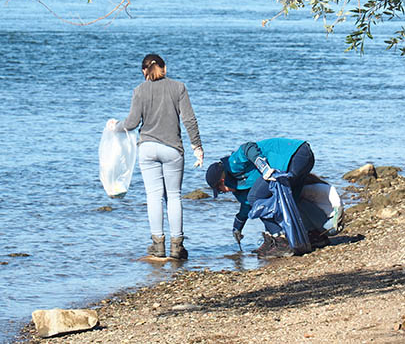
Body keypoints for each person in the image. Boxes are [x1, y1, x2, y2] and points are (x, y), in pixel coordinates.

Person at [108, 54, 203, 260]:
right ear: (165, 68)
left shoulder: (139, 91)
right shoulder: (179, 88)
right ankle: (177, 246)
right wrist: (197, 146)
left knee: (153, 196)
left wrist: (116, 127)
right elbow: (189, 119)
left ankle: (157, 245)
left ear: (144, 72)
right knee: (174, 196)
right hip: (172, 148)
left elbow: (132, 122)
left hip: (148, 148)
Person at [205, 138, 315, 258]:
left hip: (294, 154)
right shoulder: (238, 187)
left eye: (221, 190)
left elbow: (247, 147)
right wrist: (237, 227)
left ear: (222, 181)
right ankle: (312, 235)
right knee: (290, 202)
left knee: (256, 198)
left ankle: (281, 241)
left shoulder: (232, 164)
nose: (224, 192)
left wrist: (263, 167)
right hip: (302, 158)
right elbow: (247, 206)